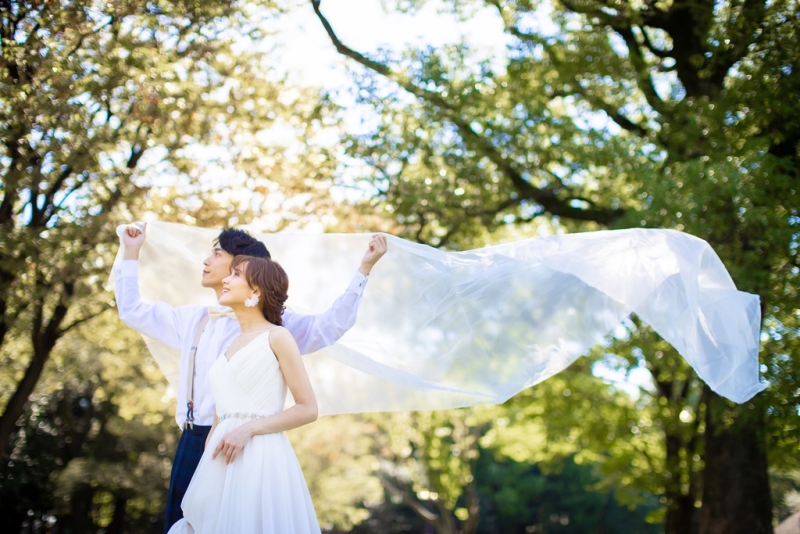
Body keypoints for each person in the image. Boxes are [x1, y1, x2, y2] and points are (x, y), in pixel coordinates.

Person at [114, 224, 387, 532]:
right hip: (195, 441)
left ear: (243, 268)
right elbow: (132, 311)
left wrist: (363, 270)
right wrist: (130, 252)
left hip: (247, 447)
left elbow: (328, 327)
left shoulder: (277, 329)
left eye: (217, 254)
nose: (206, 261)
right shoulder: (193, 319)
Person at [167, 255, 321, 533]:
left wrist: (248, 429)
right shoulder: (229, 345)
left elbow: (308, 408)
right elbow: (217, 421)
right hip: (219, 462)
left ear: (256, 291)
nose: (225, 279)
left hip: (260, 459)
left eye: (235, 275)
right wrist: (205, 473)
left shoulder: (277, 337)